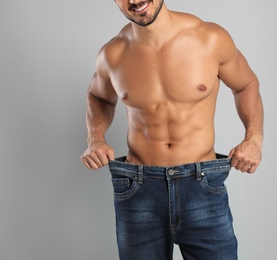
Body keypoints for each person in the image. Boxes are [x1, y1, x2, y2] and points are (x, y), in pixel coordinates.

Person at [81, 0, 263, 259]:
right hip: (138, 189)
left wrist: (253, 138)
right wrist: (95, 138)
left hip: (201, 186)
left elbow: (246, 84)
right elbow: (98, 96)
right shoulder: (113, 54)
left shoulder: (209, 39)